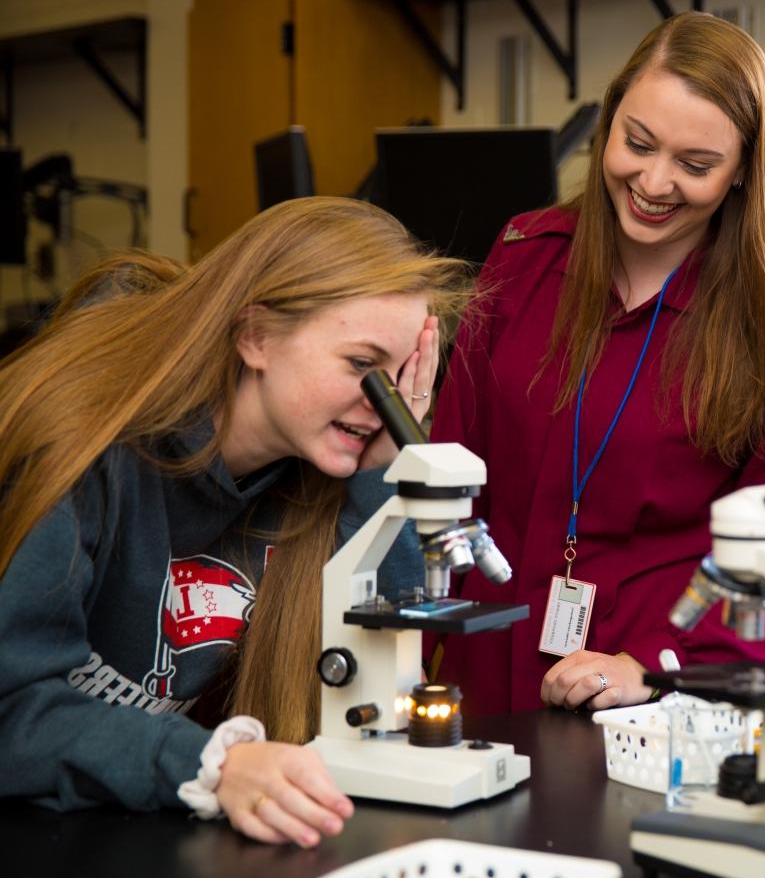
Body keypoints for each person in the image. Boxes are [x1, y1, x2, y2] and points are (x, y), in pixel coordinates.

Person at [0, 197, 472, 848]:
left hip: (115, 828)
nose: (381, 402)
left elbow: (374, 669)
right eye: (363, 367)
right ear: (255, 336)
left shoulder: (308, 474)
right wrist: (211, 763)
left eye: (399, 380)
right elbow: (11, 709)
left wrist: (380, 470)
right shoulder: (84, 439)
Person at [430, 11, 765, 714]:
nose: (653, 182)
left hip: (641, 711)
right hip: (482, 679)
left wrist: (656, 670)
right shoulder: (524, 255)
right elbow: (451, 466)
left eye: (696, 164)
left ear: (743, 173)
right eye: (637, 143)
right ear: (609, 122)